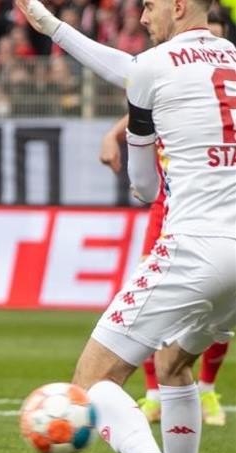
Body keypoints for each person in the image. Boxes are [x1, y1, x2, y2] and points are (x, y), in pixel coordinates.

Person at [19, 0, 236, 453]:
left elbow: (145, 187)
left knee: (91, 382)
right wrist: (53, 28)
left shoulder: (151, 67)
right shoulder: (230, 56)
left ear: (178, 6)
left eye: (150, 5)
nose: (141, 17)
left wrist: (53, 29)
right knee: (173, 364)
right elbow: (128, 67)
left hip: (195, 245)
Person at [99, 10, 230, 428]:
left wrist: (49, 25)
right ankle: (158, 394)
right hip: (174, 208)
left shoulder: (177, 67)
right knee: (171, 335)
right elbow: (145, 94)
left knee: (94, 381)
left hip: (197, 216)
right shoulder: (167, 69)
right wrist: (115, 132)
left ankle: (205, 390)